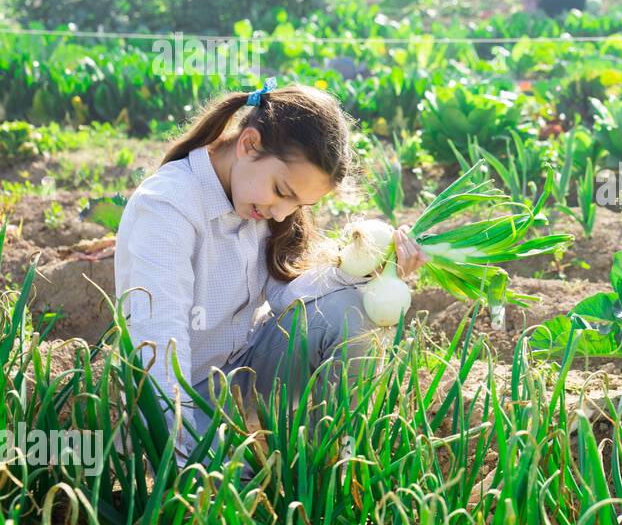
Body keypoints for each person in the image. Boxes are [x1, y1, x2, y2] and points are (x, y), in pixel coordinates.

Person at [113, 79, 425, 469]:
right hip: (179, 399)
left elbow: (287, 298)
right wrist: (183, 461)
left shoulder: (259, 203)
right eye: (282, 191)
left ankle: (327, 466)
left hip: (239, 379)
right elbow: (157, 346)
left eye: (298, 203)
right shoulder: (167, 207)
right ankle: (234, 463)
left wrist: (378, 272)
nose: (282, 213)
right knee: (232, 489)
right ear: (248, 144)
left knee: (349, 310)